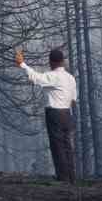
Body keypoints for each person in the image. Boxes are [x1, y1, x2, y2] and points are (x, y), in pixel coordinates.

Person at [16, 46, 79, 183]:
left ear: (52, 62)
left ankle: (63, 178)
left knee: (57, 146)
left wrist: (22, 64)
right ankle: (71, 177)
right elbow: (73, 99)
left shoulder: (53, 76)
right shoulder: (71, 78)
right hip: (67, 113)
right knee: (67, 146)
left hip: (55, 113)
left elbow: (35, 77)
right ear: (62, 61)